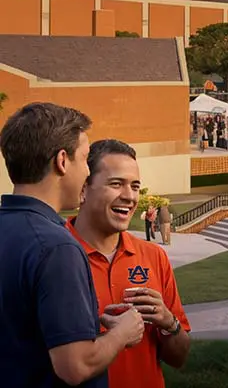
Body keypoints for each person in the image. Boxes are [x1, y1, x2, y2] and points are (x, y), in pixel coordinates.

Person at [0, 102, 145, 388]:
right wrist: (122, 332)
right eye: (85, 159)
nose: (88, 174)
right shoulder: (56, 247)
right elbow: (75, 365)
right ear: (62, 161)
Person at [67, 139, 192, 387]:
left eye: (135, 186)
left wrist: (169, 323)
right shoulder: (55, 256)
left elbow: (179, 358)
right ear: (84, 189)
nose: (130, 196)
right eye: (116, 184)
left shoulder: (154, 257)